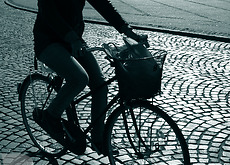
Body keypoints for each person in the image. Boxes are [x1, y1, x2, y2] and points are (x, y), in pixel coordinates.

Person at [32, 0, 146, 154]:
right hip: (48, 40)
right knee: (79, 78)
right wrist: (72, 38)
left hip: (74, 40)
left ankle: (98, 140)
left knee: (100, 85)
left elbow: (104, 6)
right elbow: (48, 11)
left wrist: (128, 31)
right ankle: (50, 116)